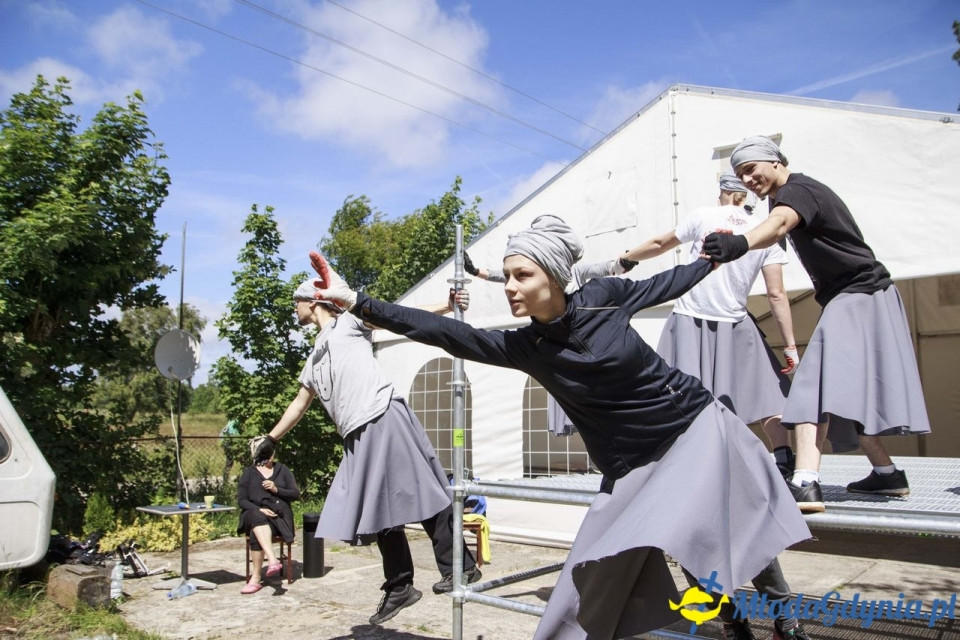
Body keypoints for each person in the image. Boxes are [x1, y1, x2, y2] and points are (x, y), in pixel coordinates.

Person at [309, 215, 812, 640]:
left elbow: (666, 284)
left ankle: (785, 618)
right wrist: (358, 301)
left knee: (735, 519)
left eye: (521, 275)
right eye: (506, 276)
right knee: (634, 558)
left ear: (551, 274)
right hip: (631, 462)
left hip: (691, 425)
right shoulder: (526, 348)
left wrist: (711, 258)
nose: (510, 287)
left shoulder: (602, 296)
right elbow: (445, 332)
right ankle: (730, 619)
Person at [702, 135, 931, 513]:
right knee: (850, 389)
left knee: (813, 381)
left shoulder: (798, 190)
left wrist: (739, 244)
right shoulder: (784, 194)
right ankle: (886, 474)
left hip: (860, 292)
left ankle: (806, 481)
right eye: (740, 174)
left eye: (751, 168)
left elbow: (778, 225)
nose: (747, 179)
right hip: (863, 294)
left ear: (775, 161)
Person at [253, 275, 479, 626]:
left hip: (382, 414)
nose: (293, 310)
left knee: (423, 492)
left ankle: (460, 567)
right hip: (356, 433)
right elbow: (300, 403)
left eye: (295, 302)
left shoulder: (349, 321)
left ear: (312, 301)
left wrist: (447, 305)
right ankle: (401, 585)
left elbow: (398, 315)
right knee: (379, 511)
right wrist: (272, 438)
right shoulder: (315, 356)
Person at [622, 171, 800, 479]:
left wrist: (625, 259)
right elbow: (776, 294)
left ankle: (684, 463)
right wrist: (790, 346)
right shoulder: (765, 233)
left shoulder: (703, 216)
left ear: (728, 193)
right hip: (735, 319)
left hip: (692, 318)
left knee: (677, 393)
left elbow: (660, 242)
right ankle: (783, 457)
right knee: (768, 391)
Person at [237, 436, 300, 594]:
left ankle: (256, 578)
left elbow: (295, 494)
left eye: (269, 453)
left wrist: (276, 489)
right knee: (256, 515)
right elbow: (242, 500)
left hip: (277, 518)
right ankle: (272, 560)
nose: (268, 457)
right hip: (254, 514)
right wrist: (259, 509)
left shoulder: (282, 470)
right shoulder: (249, 473)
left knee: (255, 533)